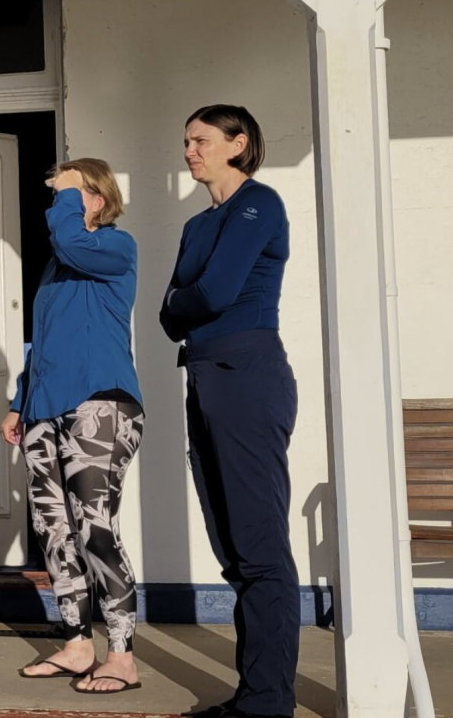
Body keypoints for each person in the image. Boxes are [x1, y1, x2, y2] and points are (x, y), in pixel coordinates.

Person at [160, 105, 299, 718]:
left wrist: (188, 298)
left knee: (259, 545)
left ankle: (268, 702)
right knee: (231, 547)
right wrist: (189, 300)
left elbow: (210, 292)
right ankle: (254, 695)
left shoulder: (258, 203)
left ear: (238, 144)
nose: (189, 150)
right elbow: (168, 316)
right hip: (203, 374)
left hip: (247, 374)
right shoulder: (198, 225)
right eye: (186, 141)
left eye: (201, 140)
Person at [0, 158, 145, 695]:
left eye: (70, 192)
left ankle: (122, 656)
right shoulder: (56, 266)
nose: (58, 200)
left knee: (93, 528)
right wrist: (19, 403)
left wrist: (65, 194)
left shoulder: (115, 246)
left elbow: (71, 241)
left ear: (98, 200)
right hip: (44, 410)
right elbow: (44, 341)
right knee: (54, 532)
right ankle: (78, 644)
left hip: (100, 404)